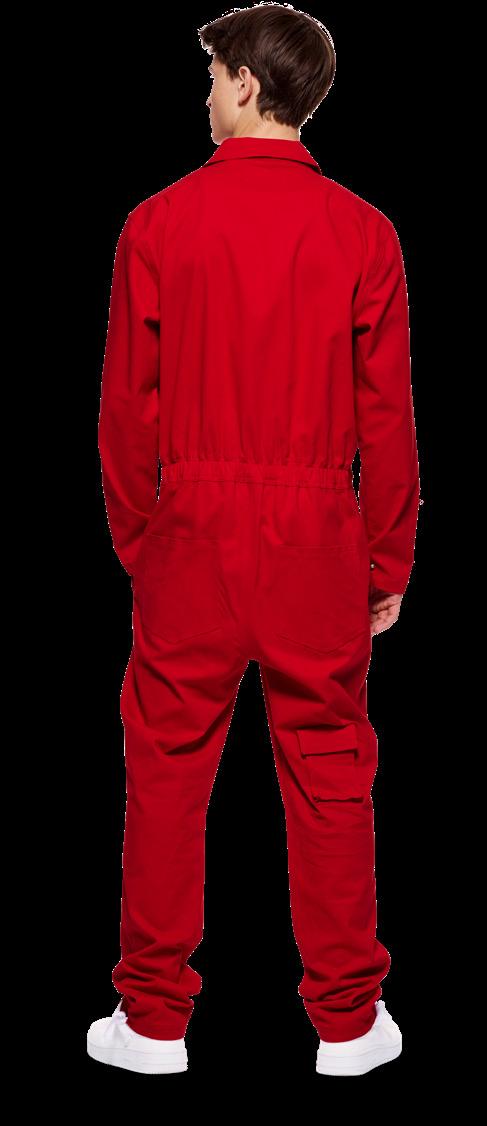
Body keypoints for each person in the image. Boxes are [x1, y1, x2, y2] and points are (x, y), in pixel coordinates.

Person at [87, 2, 421, 1076]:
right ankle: (348, 1026)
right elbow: (387, 417)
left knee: (167, 768)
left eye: (212, 77)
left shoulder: (157, 222)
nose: (205, 97)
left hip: (189, 528)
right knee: (329, 768)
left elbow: (124, 408)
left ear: (242, 82)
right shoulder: (363, 232)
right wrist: (386, 559)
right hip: (317, 534)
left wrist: (143, 539)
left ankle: (151, 1025)